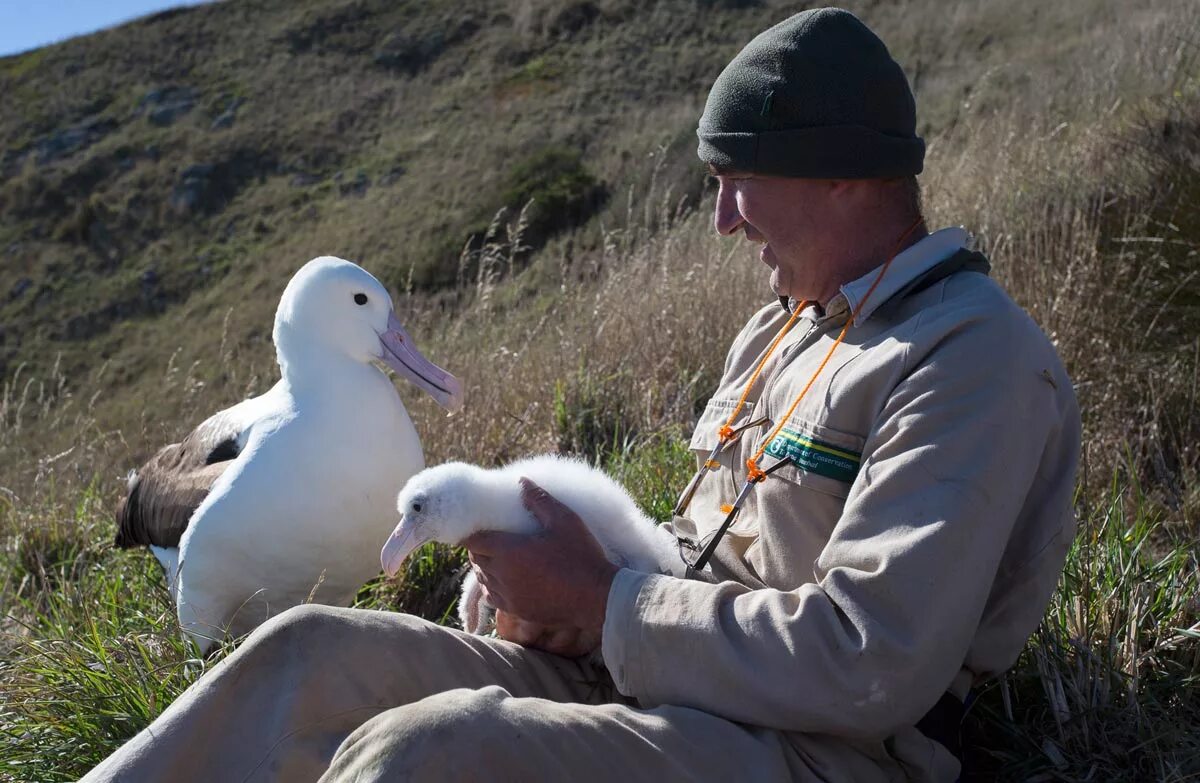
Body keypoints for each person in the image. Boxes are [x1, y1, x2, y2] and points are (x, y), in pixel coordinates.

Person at [82, 8, 1079, 782]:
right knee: (307, 653)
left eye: (738, 176)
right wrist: (556, 585)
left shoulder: (971, 362)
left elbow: (871, 663)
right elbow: (701, 551)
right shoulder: (789, 325)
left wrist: (605, 603)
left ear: (839, 175)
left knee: (435, 755)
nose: (724, 219)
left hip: (818, 750)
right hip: (654, 676)